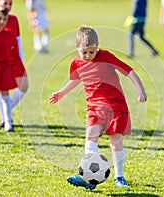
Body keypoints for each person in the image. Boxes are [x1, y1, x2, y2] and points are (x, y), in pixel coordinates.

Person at [49, 26, 147, 190]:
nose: (88, 55)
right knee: (90, 139)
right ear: (77, 48)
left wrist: (141, 89)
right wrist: (61, 92)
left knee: (115, 140)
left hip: (115, 104)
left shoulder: (106, 56)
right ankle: (89, 177)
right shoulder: (75, 62)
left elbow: (128, 70)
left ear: (98, 46)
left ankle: (119, 176)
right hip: (94, 106)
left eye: (92, 52)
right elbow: (75, 79)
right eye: (84, 52)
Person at [0, 0, 28, 131]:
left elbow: (17, 40)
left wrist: (21, 58)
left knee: (24, 86)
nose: (8, 6)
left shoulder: (13, 19)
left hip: (14, 59)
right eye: (5, 3)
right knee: (2, 89)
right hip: (0, 61)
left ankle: (5, 112)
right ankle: (5, 119)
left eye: (10, 4)